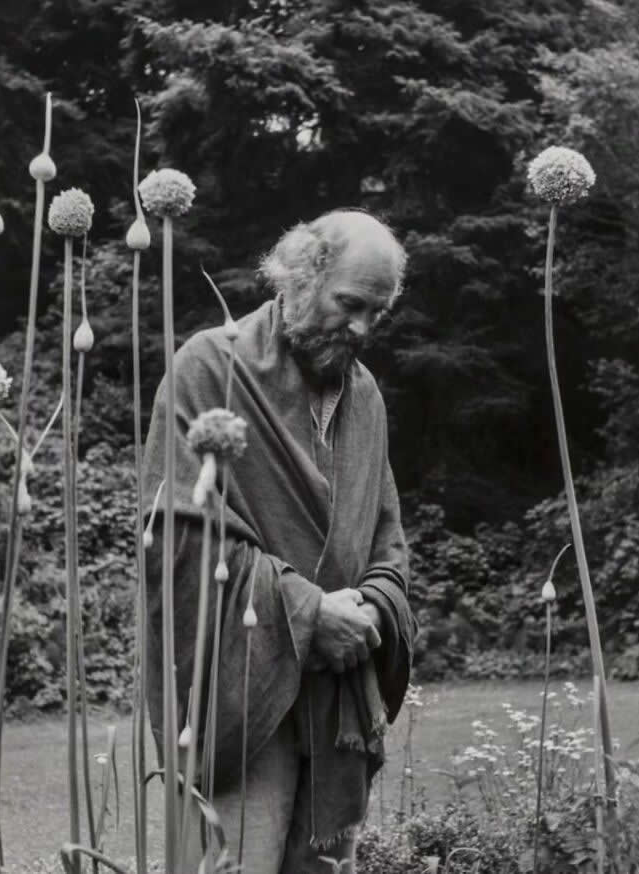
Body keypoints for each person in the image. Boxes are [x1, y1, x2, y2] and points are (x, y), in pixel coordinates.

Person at [143, 209, 417, 874]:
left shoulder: (367, 397)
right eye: (350, 304)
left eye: (376, 314)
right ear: (299, 277)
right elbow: (175, 536)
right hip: (246, 694)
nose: (360, 329)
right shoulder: (211, 367)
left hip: (338, 701)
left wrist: (371, 608)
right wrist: (304, 610)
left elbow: (386, 538)